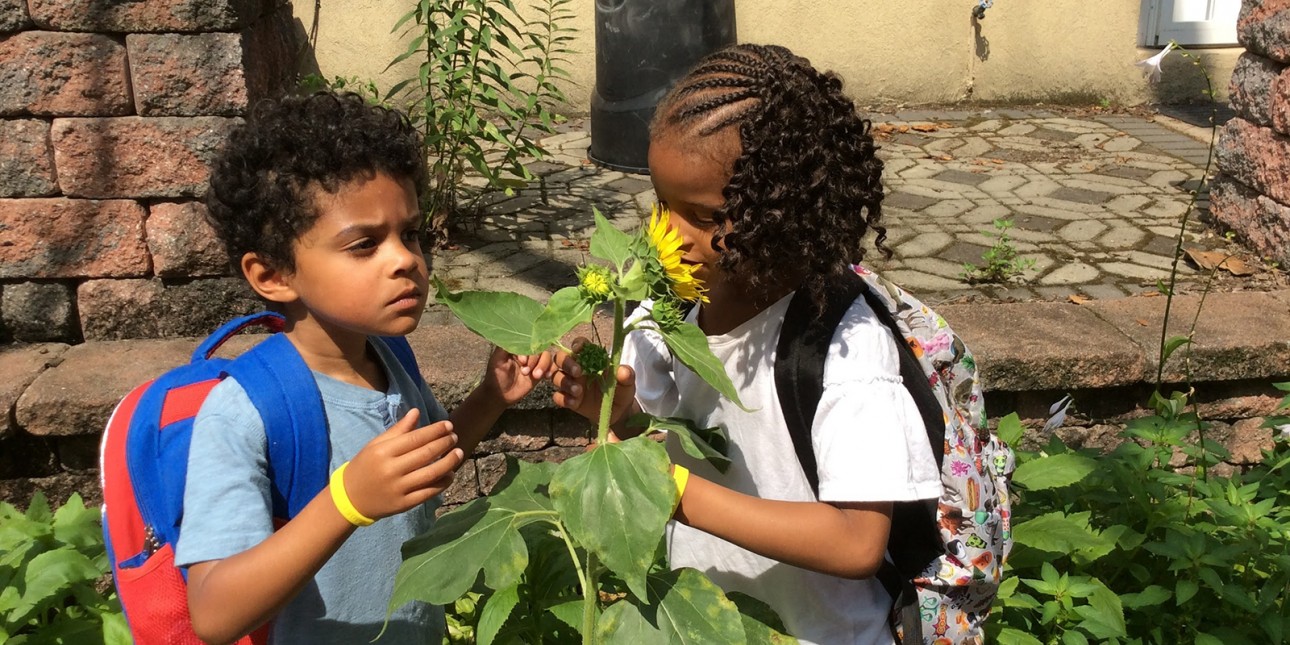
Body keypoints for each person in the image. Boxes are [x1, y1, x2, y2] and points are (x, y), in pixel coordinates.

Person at [551, 44, 941, 644]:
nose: (669, 238)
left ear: (783, 209)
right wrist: (621, 415)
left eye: (705, 218)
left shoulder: (844, 347)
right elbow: (678, 447)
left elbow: (857, 541)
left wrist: (673, 492)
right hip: (706, 622)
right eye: (662, 205)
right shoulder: (666, 312)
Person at [175, 92, 551, 645]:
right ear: (273, 274)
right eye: (364, 244)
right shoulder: (244, 413)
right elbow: (213, 613)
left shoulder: (390, 357)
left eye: (411, 234)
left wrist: (489, 399)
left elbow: (429, 467)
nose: (406, 260)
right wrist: (347, 501)